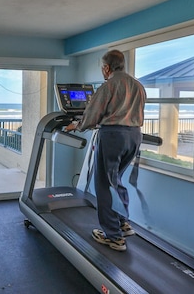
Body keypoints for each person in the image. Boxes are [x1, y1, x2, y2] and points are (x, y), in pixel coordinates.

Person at [65, 49, 146, 252]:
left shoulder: (109, 85)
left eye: (103, 68)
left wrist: (76, 126)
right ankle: (122, 222)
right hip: (135, 135)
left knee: (103, 184)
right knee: (116, 180)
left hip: (113, 136)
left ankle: (114, 236)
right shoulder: (138, 85)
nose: (103, 71)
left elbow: (92, 115)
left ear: (107, 67)